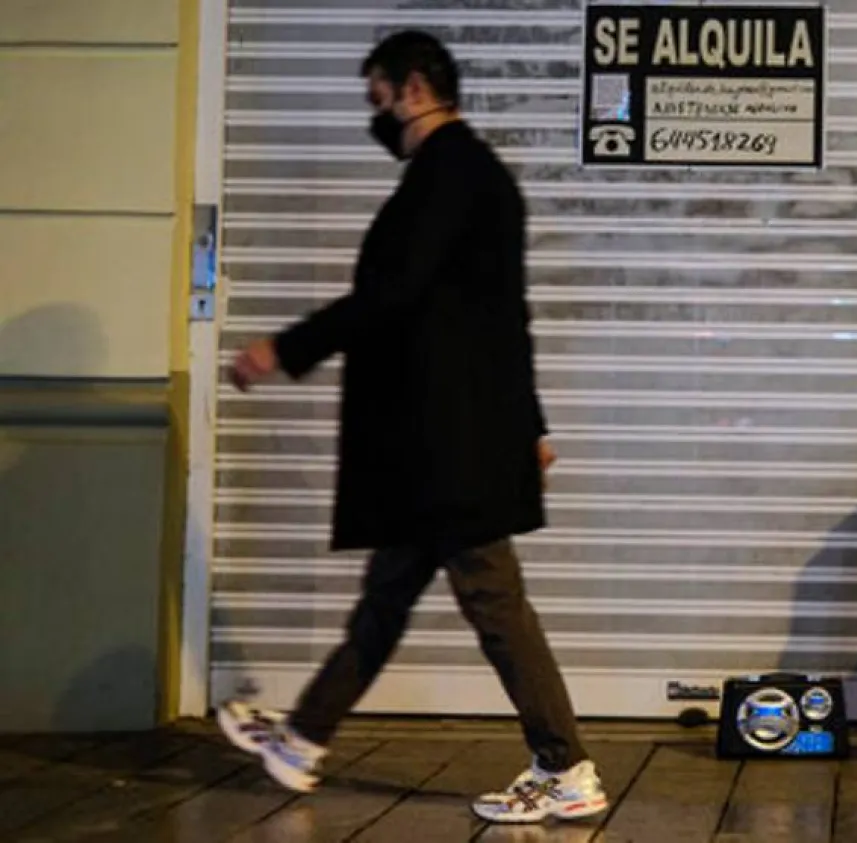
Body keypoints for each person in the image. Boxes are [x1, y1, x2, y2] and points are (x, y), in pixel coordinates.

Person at [214, 31, 607, 824]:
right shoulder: (469, 175)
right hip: (451, 437)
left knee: (494, 602)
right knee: (389, 597)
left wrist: (281, 350)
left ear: (415, 87)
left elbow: (392, 295)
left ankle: (566, 768)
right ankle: (302, 740)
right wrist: (529, 424)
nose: (376, 115)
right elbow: (505, 316)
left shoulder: (449, 175)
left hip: (449, 442)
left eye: (378, 97)